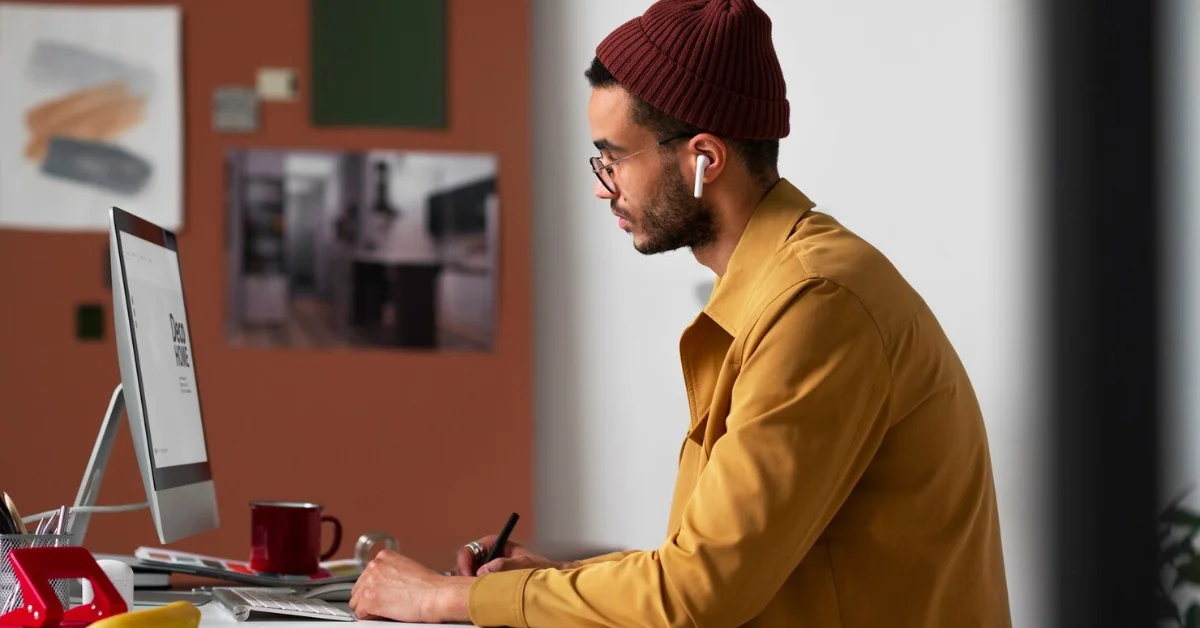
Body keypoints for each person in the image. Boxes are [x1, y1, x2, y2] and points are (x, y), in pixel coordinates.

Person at [347, 0, 1013, 625]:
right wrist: (544, 585)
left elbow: (700, 593)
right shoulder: (783, 288)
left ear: (703, 159)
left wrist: (451, 598)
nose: (601, 185)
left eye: (613, 157)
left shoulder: (816, 304)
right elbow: (713, 568)